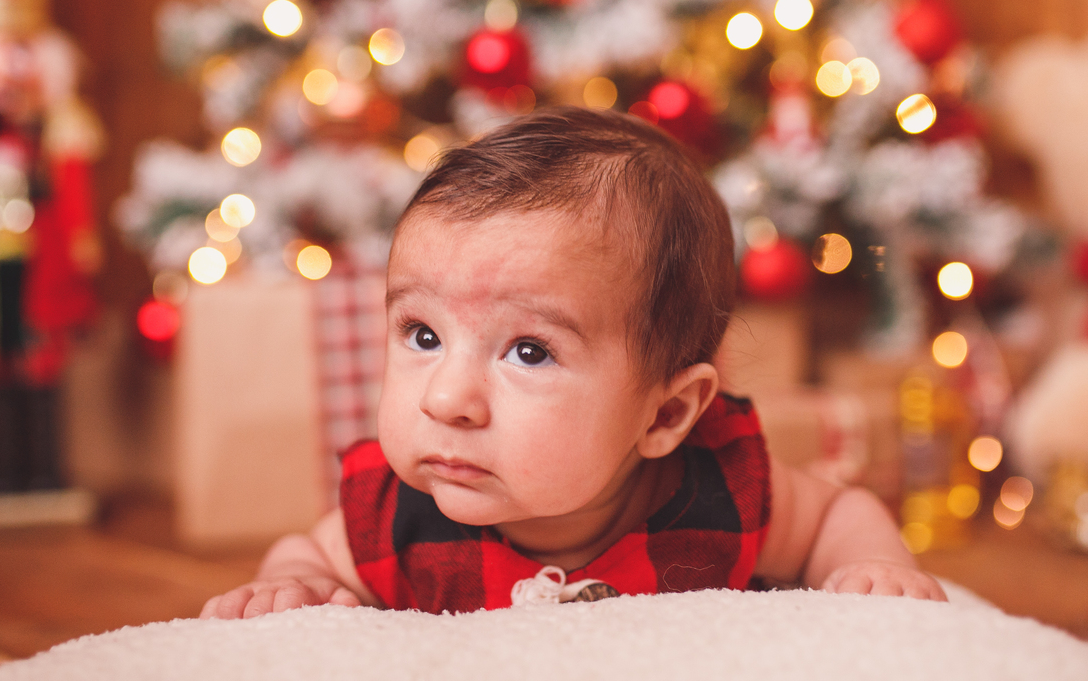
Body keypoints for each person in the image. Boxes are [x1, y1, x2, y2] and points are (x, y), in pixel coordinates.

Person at [201, 107, 946, 619]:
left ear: (665, 414)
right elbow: (310, 553)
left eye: (529, 352)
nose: (446, 399)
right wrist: (292, 583)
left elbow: (837, 515)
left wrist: (871, 567)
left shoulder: (722, 489)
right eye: (423, 335)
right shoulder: (399, 517)